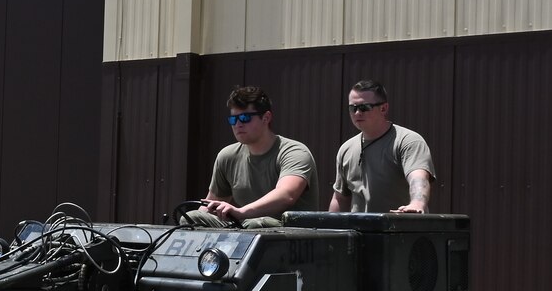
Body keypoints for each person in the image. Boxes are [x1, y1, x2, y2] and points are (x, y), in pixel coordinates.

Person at [184, 86, 317, 228]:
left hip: (291, 235)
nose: (238, 124)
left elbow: (286, 195)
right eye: (233, 119)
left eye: (244, 118)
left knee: (256, 224)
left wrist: (241, 212)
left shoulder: (293, 152)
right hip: (245, 227)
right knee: (192, 218)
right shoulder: (227, 156)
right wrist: (194, 221)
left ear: (266, 118)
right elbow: (211, 204)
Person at [331, 79, 436, 213]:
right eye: (353, 108)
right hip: (360, 231)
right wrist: (329, 228)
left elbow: (418, 177)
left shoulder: (407, 141)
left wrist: (417, 204)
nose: (357, 113)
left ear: (383, 108)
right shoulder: (346, 149)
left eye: (364, 107)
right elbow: (340, 198)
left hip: (400, 229)